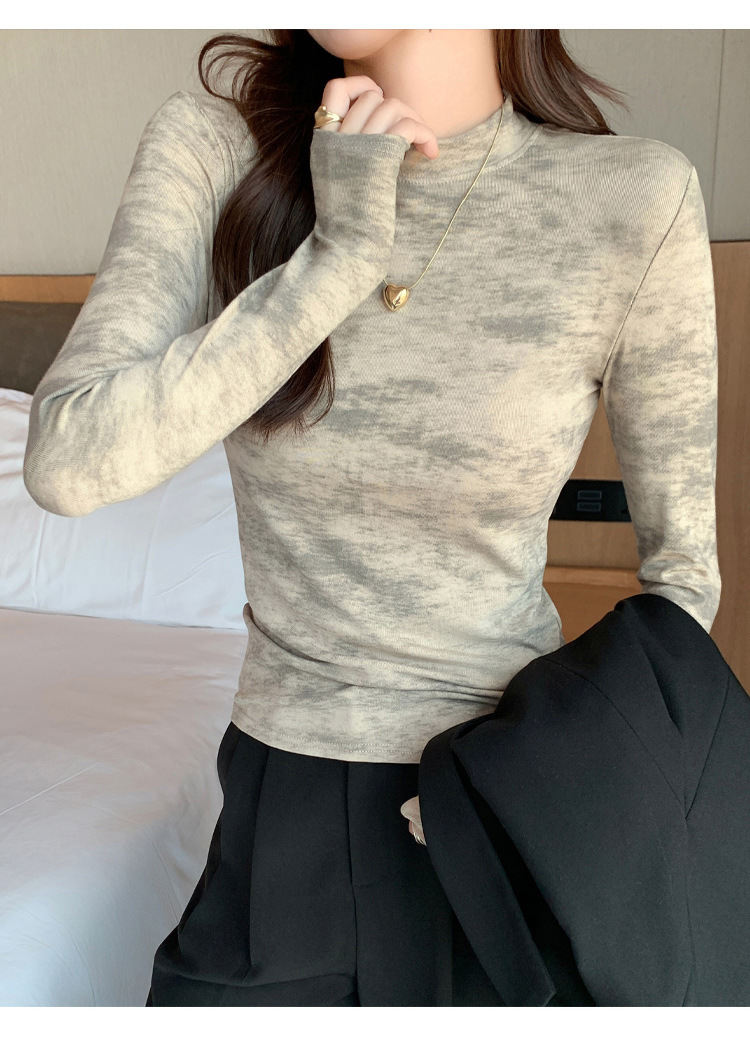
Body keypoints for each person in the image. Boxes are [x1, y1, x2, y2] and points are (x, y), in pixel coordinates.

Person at [24, 29, 721, 1006]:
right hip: (280, 808)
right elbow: (66, 462)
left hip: (514, 809)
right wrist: (337, 256)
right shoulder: (218, 151)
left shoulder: (633, 196)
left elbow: (683, 583)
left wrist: (563, 779)